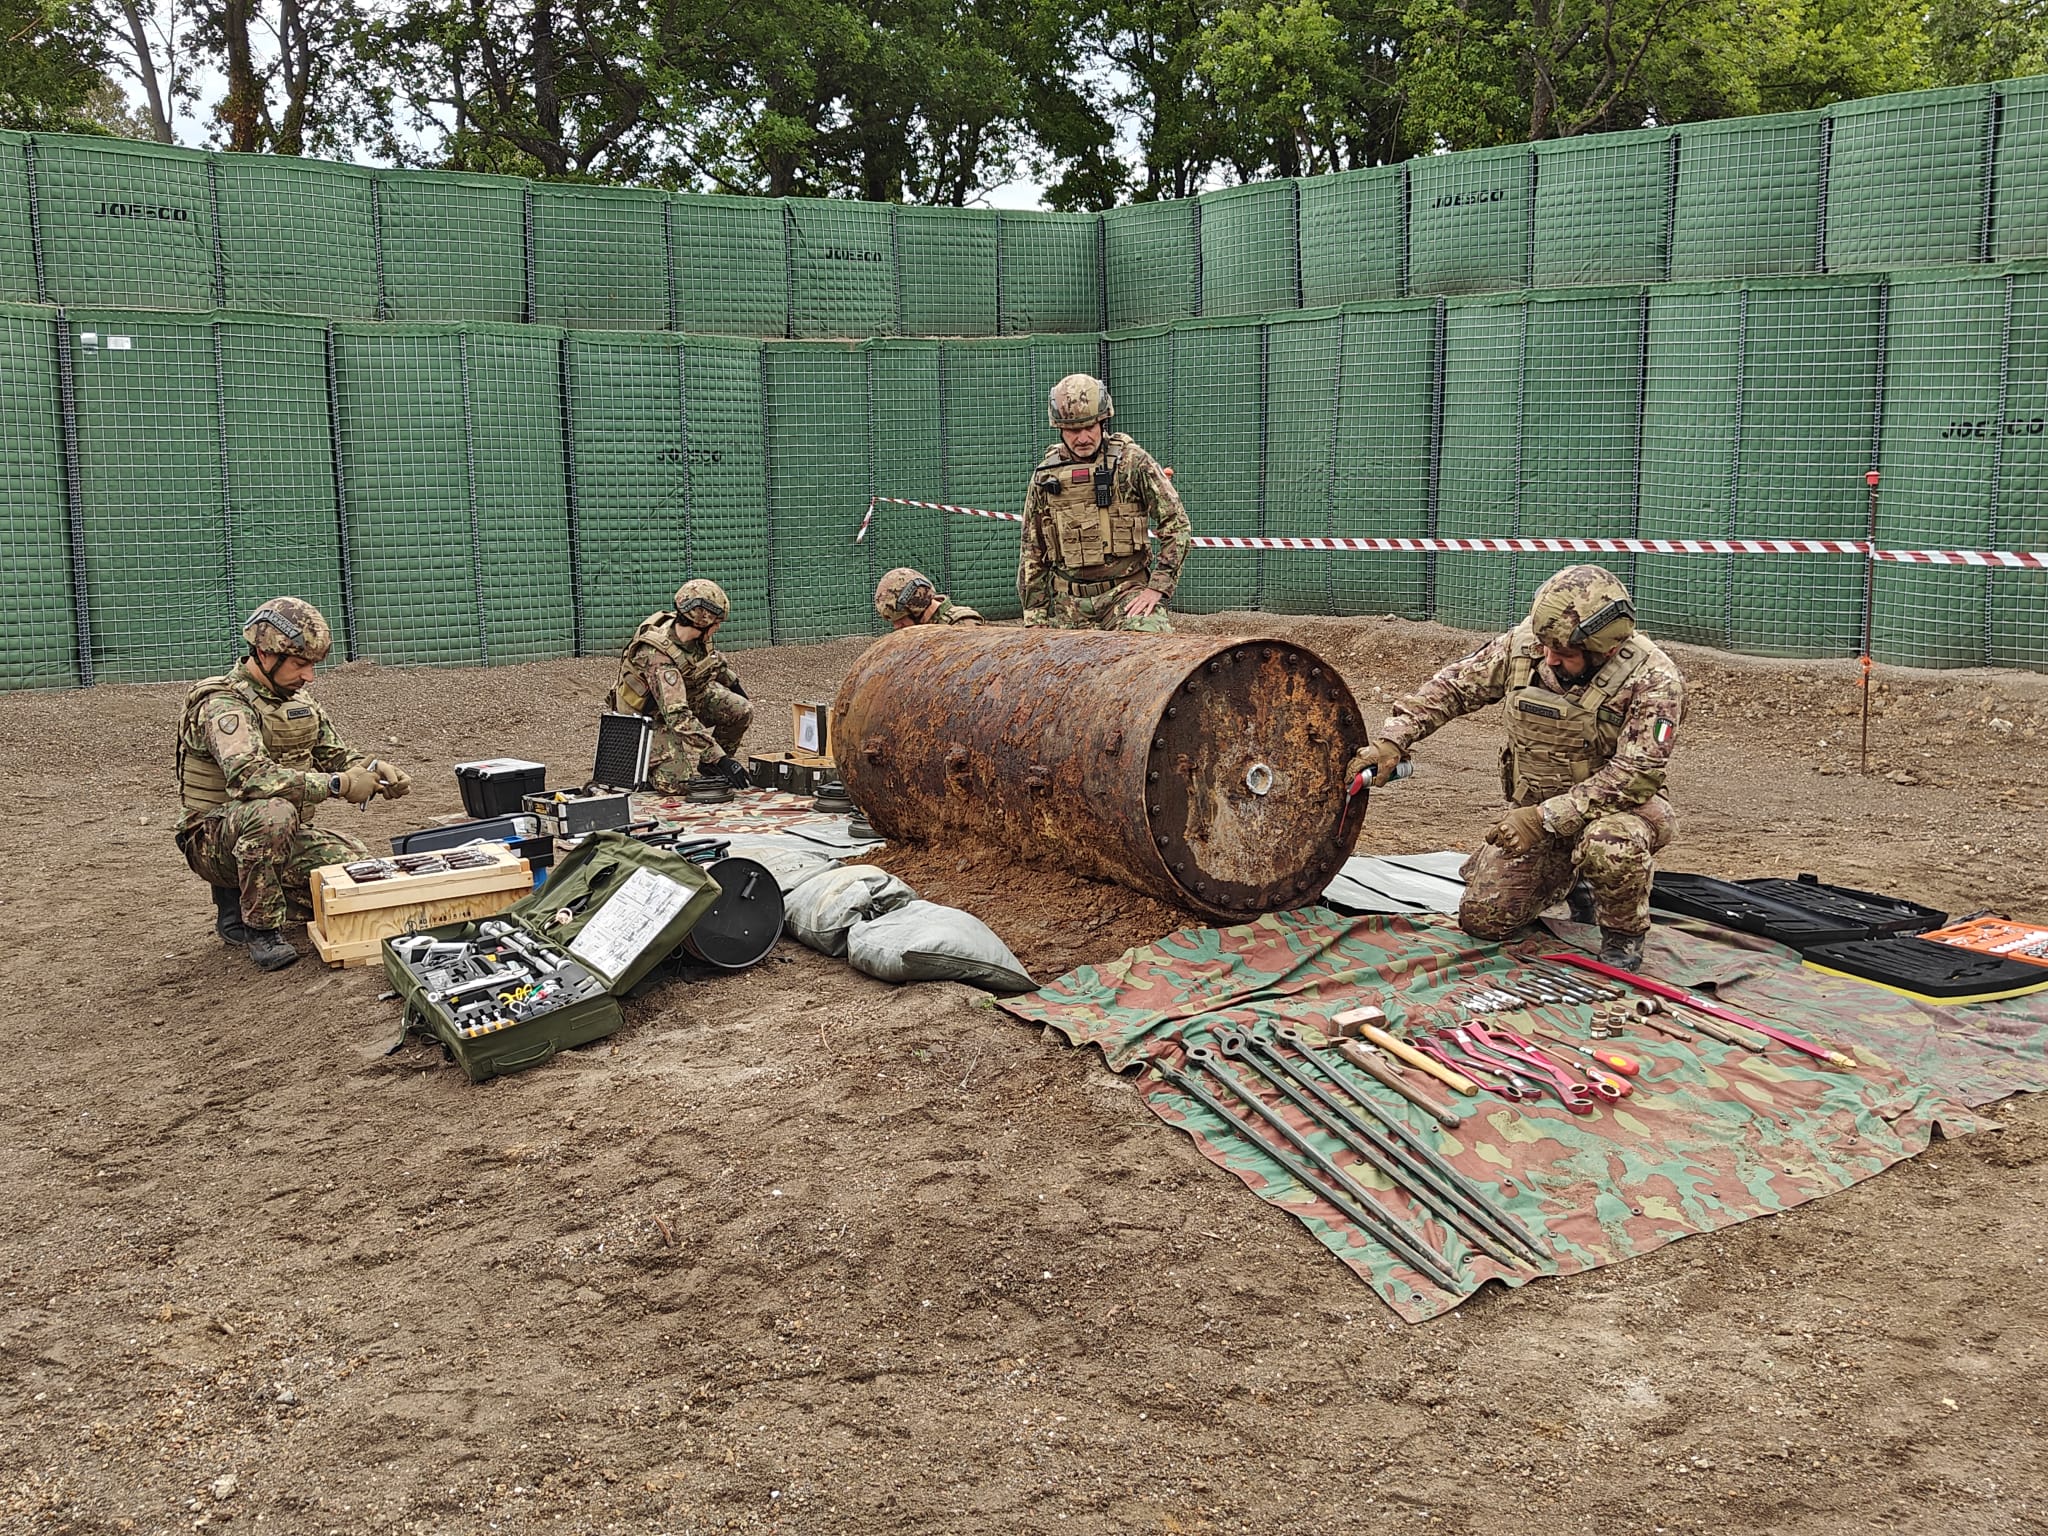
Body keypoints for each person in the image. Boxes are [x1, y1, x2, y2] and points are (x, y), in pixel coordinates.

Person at [1346, 565, 1685, 969]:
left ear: (1605, 649)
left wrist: (1541, 819)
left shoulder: (1654, 680)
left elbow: (1634, 774)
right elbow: (1455, 686)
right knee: (1483, 920)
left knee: (1609, 847)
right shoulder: (1527, 646)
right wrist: (1395, 738)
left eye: (1564, 655)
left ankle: (1623, 933)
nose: (1549, 659)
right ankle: (1568, 878)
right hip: (1538, 812)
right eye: (1546, 648)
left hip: (1619, 813)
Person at [175, 598, 412, 972]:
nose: (309, 677)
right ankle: (261, 929)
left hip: (273, 835)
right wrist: (339, 784)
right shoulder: (223, 705)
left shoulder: (297, 702)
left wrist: (372, 768)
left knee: (355, 870)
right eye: (300, 665)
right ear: (264, 655)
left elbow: (335, 754)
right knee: (273, 812)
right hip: (211, 838)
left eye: (312, 666)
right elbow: (251, 777)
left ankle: (243, 893)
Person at [1017, 373, 1191, 633]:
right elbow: (1032, 549)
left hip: (1126, 595)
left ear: (1103, 421)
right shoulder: (1046, 476)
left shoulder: (1132, 462)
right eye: (1074, 430)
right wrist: (1036, 616)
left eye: (1090, 427)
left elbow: (1176, 524)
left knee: (1149, 646)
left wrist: (1158, 587)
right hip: (1069, 606)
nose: (1083, 437)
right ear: (1060, 428)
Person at [608, 579, 753, 794]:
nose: (719, 627)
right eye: (716, 623)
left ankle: (709, 766)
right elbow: (677, 717)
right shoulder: (658, 657)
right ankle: (642, 764)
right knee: (678, 784)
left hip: (683, 697)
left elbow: (710, 660)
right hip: (650, 717)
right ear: (701, 622)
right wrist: (720, 757)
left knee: (741, 710)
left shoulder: (693, 634)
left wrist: (734, 683)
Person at [873, 567, 983, 629]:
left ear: (916, 608)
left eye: (901, 620)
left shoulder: (962, 625)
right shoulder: (917, 630)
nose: (896, 626)